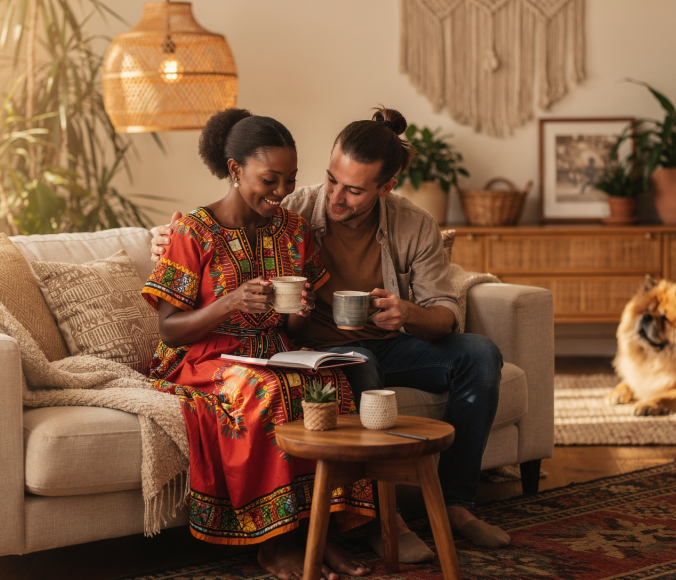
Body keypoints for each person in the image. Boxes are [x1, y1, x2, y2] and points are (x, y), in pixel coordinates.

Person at [151, 107, 508, 562]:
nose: (335, 197)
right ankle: (366, 521)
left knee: (479, 355)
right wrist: (164, 238)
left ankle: (457, 506)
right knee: (347, 368)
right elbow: (218, 223)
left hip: (373, 342)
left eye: (354, 190)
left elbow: (444, 315)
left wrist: (405, 314)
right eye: (331, 180)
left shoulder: (398, 225)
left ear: (385, 188)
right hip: (313, 350)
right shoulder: (291, 209)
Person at [142, 108, 374, 580]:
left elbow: (297, 333)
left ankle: (321, 531)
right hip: (204, 357)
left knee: (331, 385)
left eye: (289, 180)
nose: (282, 192)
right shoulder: (194, 232)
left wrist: (299, 314)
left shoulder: (294, 232)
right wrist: (227, 303)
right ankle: (273, 541)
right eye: (270, 179)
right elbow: (169, 328)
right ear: (235, 170)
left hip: (272, 350)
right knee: (264, 390)